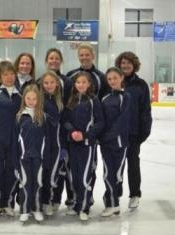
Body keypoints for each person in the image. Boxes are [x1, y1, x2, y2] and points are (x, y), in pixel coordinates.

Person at [63, 71, 104, 221]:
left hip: (87, 145)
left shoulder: (94, 100)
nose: (81, 85)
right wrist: (72, 131)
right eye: (78, 82)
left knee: (85, 176)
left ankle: (85, 208)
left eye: (84, 82)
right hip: (73, 144)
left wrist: (86, 135)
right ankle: (77, 204)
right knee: (74, 176)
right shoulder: (71, 100)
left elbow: (100, 122)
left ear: (89, 84)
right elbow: (65, 120)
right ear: (75, 84)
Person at [115, 51, 152, 209]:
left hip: (133, 133)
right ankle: (115, 194)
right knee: (117, 165)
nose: (125, 65)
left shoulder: (141, 84)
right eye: (123, 63)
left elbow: (145, 110)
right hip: (116, 134)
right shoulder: (114, 81)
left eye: (128, 63)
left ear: (134, 65)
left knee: (133, 164)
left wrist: (144, 131)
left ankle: (135, 194)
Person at [0, 61, 21, 218]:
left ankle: (8, 203)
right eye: (5, 74)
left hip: (15, 139)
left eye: (11, 73)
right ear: (0, 78)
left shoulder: (20, 95)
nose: (9, 77)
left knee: (12, 171)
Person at [99, 67, 131, 217]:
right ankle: (113, 204)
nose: (112, 81)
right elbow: (101, 120)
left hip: (119, 143)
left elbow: (122, 121)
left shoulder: (126, 97)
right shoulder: (105, 98)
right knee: (108, 174)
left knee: (116, 175)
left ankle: (111, 199)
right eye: (109, 79)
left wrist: (108, 136)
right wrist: (100, 136)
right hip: (105, 144)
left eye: (115, 78)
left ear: (121, 78)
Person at [15, 84, 49, 223]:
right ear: (24, 99)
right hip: (24, 157)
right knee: (25, 183)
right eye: (28, 98)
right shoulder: (19, 117)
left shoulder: (43, 117)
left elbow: (48, 139)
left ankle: (36, 209)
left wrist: (46, 156)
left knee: (38, 183)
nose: (31, 101)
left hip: (39, 157)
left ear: (38, 100)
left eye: (34, 98)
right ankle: (24, 210)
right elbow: (15, 140)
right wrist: (16, 157)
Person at [38, 70, 64, 216]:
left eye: (52, 82)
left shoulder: (61, 101)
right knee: (41, 173)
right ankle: (38, 202)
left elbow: (64, 123)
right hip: (41, 143)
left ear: (57, 84)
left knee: (52, 174)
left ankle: (48, 201)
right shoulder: (38, 100)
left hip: (56, 144)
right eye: (46, 83)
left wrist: (64, 146)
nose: (49, 85)